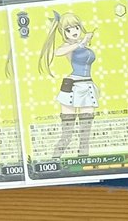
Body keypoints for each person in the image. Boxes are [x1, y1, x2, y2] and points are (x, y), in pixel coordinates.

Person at [39, 11, 98, 157]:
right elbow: (58, 52)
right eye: (69, 29)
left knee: (85, 134)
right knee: (67, 133)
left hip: (88, 86)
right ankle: (54, 159)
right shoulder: (67, 47)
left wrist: (84, 41)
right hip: (72, 86)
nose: (74, 31)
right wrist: (80, 43)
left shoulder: (83, 45)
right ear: (63, 32)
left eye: (76, 27)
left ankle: (83, 159)